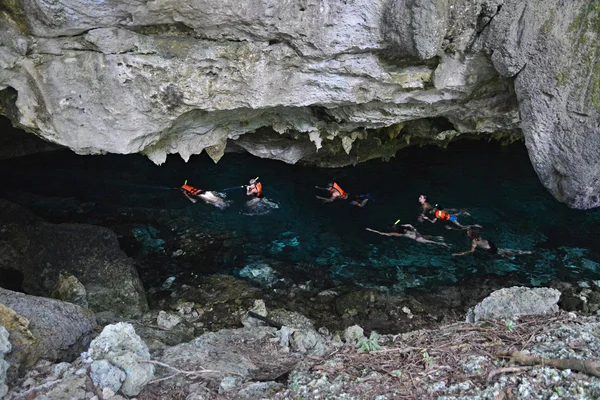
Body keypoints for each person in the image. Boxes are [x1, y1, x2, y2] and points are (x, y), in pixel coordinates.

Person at [452, 227, 532, 257]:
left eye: (468, 232)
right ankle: (523, 252)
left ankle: (523, 253)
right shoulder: (478, 236)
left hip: (489, 249)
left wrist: (460, 253)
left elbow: (472, 251)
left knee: (502, 253)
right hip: (489, 243)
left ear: (472, 234)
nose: (467, 232)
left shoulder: (474, 241)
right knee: (502, 251)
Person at [366, 221, 450, 248]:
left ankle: (445, 245)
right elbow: (410, 225)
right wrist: (414, 229)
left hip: (416, 238)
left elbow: (382, 233)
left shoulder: (395, 233)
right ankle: (441, 238)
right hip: (417, 233)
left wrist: (371, 230)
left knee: (432, 242)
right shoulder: (401, 227)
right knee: (431, 237)